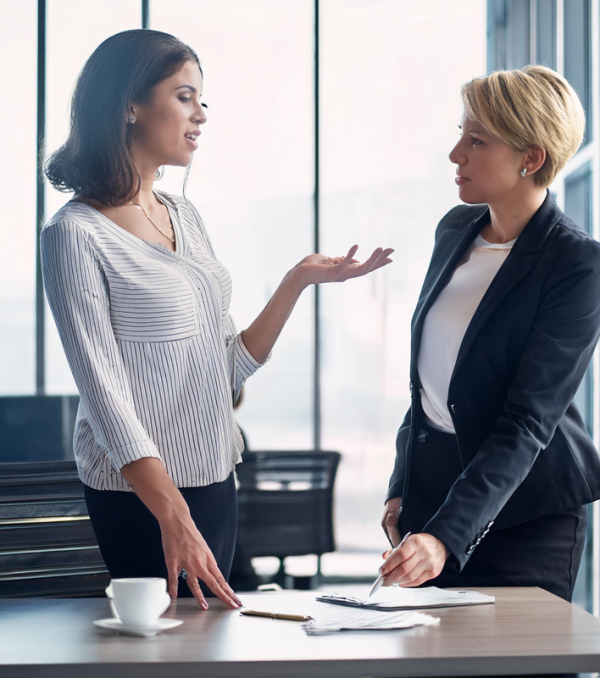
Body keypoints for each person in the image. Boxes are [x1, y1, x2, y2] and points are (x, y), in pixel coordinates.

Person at [40, 28, 393, 611]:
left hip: (213, 475)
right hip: (142, 496)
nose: (201, 114)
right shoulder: (74, 234)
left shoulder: (183, 213)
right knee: (161, 654)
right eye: (184, 96)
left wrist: (297, 280)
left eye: (202, 99)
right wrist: (172, 515)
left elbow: (227, 362)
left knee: (208, 649)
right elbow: (105, 397)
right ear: (129, 104)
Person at [380, 65, 600, 603]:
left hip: (526, 517)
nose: (456, 154)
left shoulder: (576, 263)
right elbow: (428, 384)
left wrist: (445, 536)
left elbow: (528, 420)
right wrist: (400, 488)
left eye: (476, 140)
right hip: (434, 504)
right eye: (461, 134)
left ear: (531, 158)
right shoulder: (455, 229)